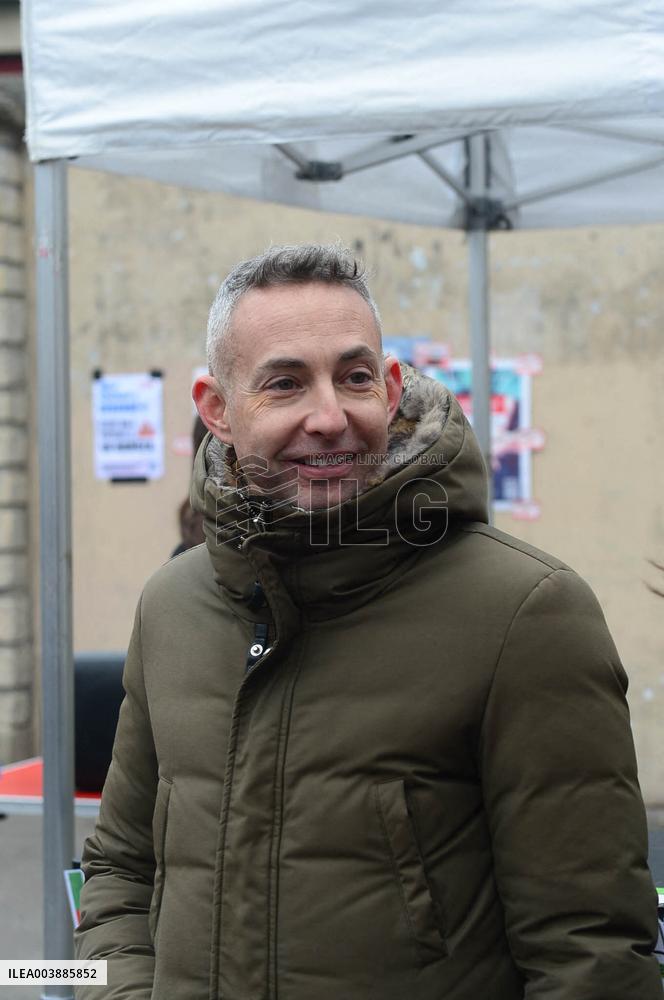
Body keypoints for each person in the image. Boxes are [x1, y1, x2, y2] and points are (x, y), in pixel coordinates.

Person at [75, 243, 661, 999]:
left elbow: (591, 957)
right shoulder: (172, 606)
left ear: (389, 389)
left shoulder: (525, 612)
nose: (329, 416)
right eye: (285, 384)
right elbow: (119, 869)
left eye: (353, 377)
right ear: (216, 409)